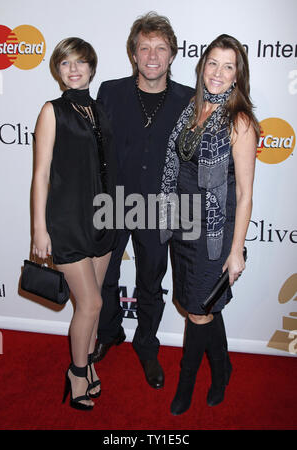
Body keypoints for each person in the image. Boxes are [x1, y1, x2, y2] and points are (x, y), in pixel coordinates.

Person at [92, 12, 194, 389]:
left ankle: (147, 345)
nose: (152, 55)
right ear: (133, 54)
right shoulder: (110, 91)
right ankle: (108, 332)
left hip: (162, 206)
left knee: (152, 280)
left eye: (160, 48)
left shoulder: (188, 99)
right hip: (112, 201)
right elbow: (96, 150)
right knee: (105, 277)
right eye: (144, 47)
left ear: (172, 54)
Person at [159, 34, 259, 414]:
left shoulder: (240, 122)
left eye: (228, 66)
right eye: (212, 63)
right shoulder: (191, 107)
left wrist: (236, 252)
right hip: (182, 225)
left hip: (213, 236)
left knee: (199, 309)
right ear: (202, 67)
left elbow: (246, 194)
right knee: (201, 306)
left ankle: (188, 382)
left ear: (237, 76)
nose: (217, 72)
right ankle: (223, 367)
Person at [32, 37, 116, 410]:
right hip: (67, 221)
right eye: (66, 63)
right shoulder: (52, 111)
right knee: (92, 303)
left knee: (93, 305)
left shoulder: (99, 111)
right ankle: (77, 372)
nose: (74, 69)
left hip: (103, 218)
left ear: (92, 68)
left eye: (80, 62)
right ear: (58, 70)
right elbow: (40, 174)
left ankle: (88, 366)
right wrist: (39, 228)